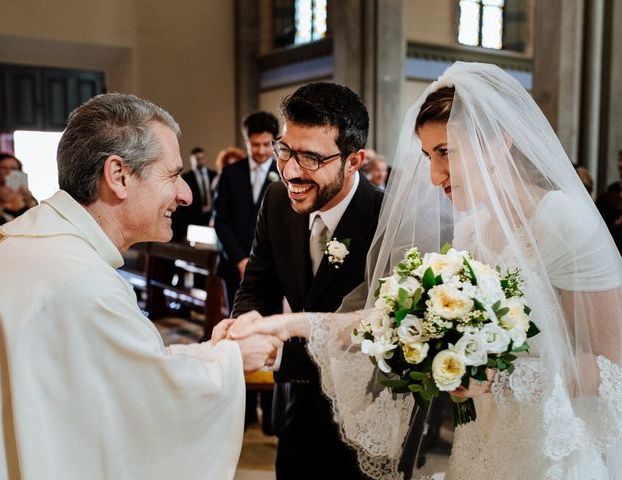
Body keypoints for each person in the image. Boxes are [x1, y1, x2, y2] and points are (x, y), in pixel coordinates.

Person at [229, 63, 622, 479]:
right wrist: (287, 324)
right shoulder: (470, 229)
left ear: (500, 142)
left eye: (445, 153)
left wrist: (497, 378)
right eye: (427, 156)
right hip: (483, 441)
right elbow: (391, 324)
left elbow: (611, 366)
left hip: (550, 448)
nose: (434, 177)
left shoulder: (562, 219)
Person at [0, 93, 280, 480]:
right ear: (118, 175)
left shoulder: (17, 239)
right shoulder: (82, 282)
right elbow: (148, 404)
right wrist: (232, 360)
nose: (186, 194)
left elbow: (127, 369)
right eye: (172, 176)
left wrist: (212, 352)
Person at [232, 82, 384, 479]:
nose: (290, 171)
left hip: (368, 427)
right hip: (295, 413)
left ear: (354, 160)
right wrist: (247, 324)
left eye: (311, 158)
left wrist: (276, 355)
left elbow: (382, 340)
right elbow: (258, 286)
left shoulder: (387, 221)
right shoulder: (278, 202)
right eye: (285, 151)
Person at [213, 112, 280, 434]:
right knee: (237, 329)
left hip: (271, 269)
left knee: (268, 332)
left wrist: (257, 263)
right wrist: (241, 259)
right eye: (256, 144)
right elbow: (221, 220)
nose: (262, 151)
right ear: (246, 141)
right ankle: (243, 408)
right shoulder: (231, 173)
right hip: (234, 265)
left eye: (268, 144)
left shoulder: (282, 172)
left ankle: (269, 410)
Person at [0, 152, 37, 235]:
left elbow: (37, 219)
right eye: (3, 168)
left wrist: (29, 200)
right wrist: (0, 203)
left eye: (13, 168)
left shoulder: (24, 192)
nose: (8, 172)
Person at [170, 146, 216, 241]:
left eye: (202, 158)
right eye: (197, 159)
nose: (200, 161)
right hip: (193, 218)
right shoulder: (186, 177)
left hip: (211, 217)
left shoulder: (213, 175)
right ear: (192, 160)